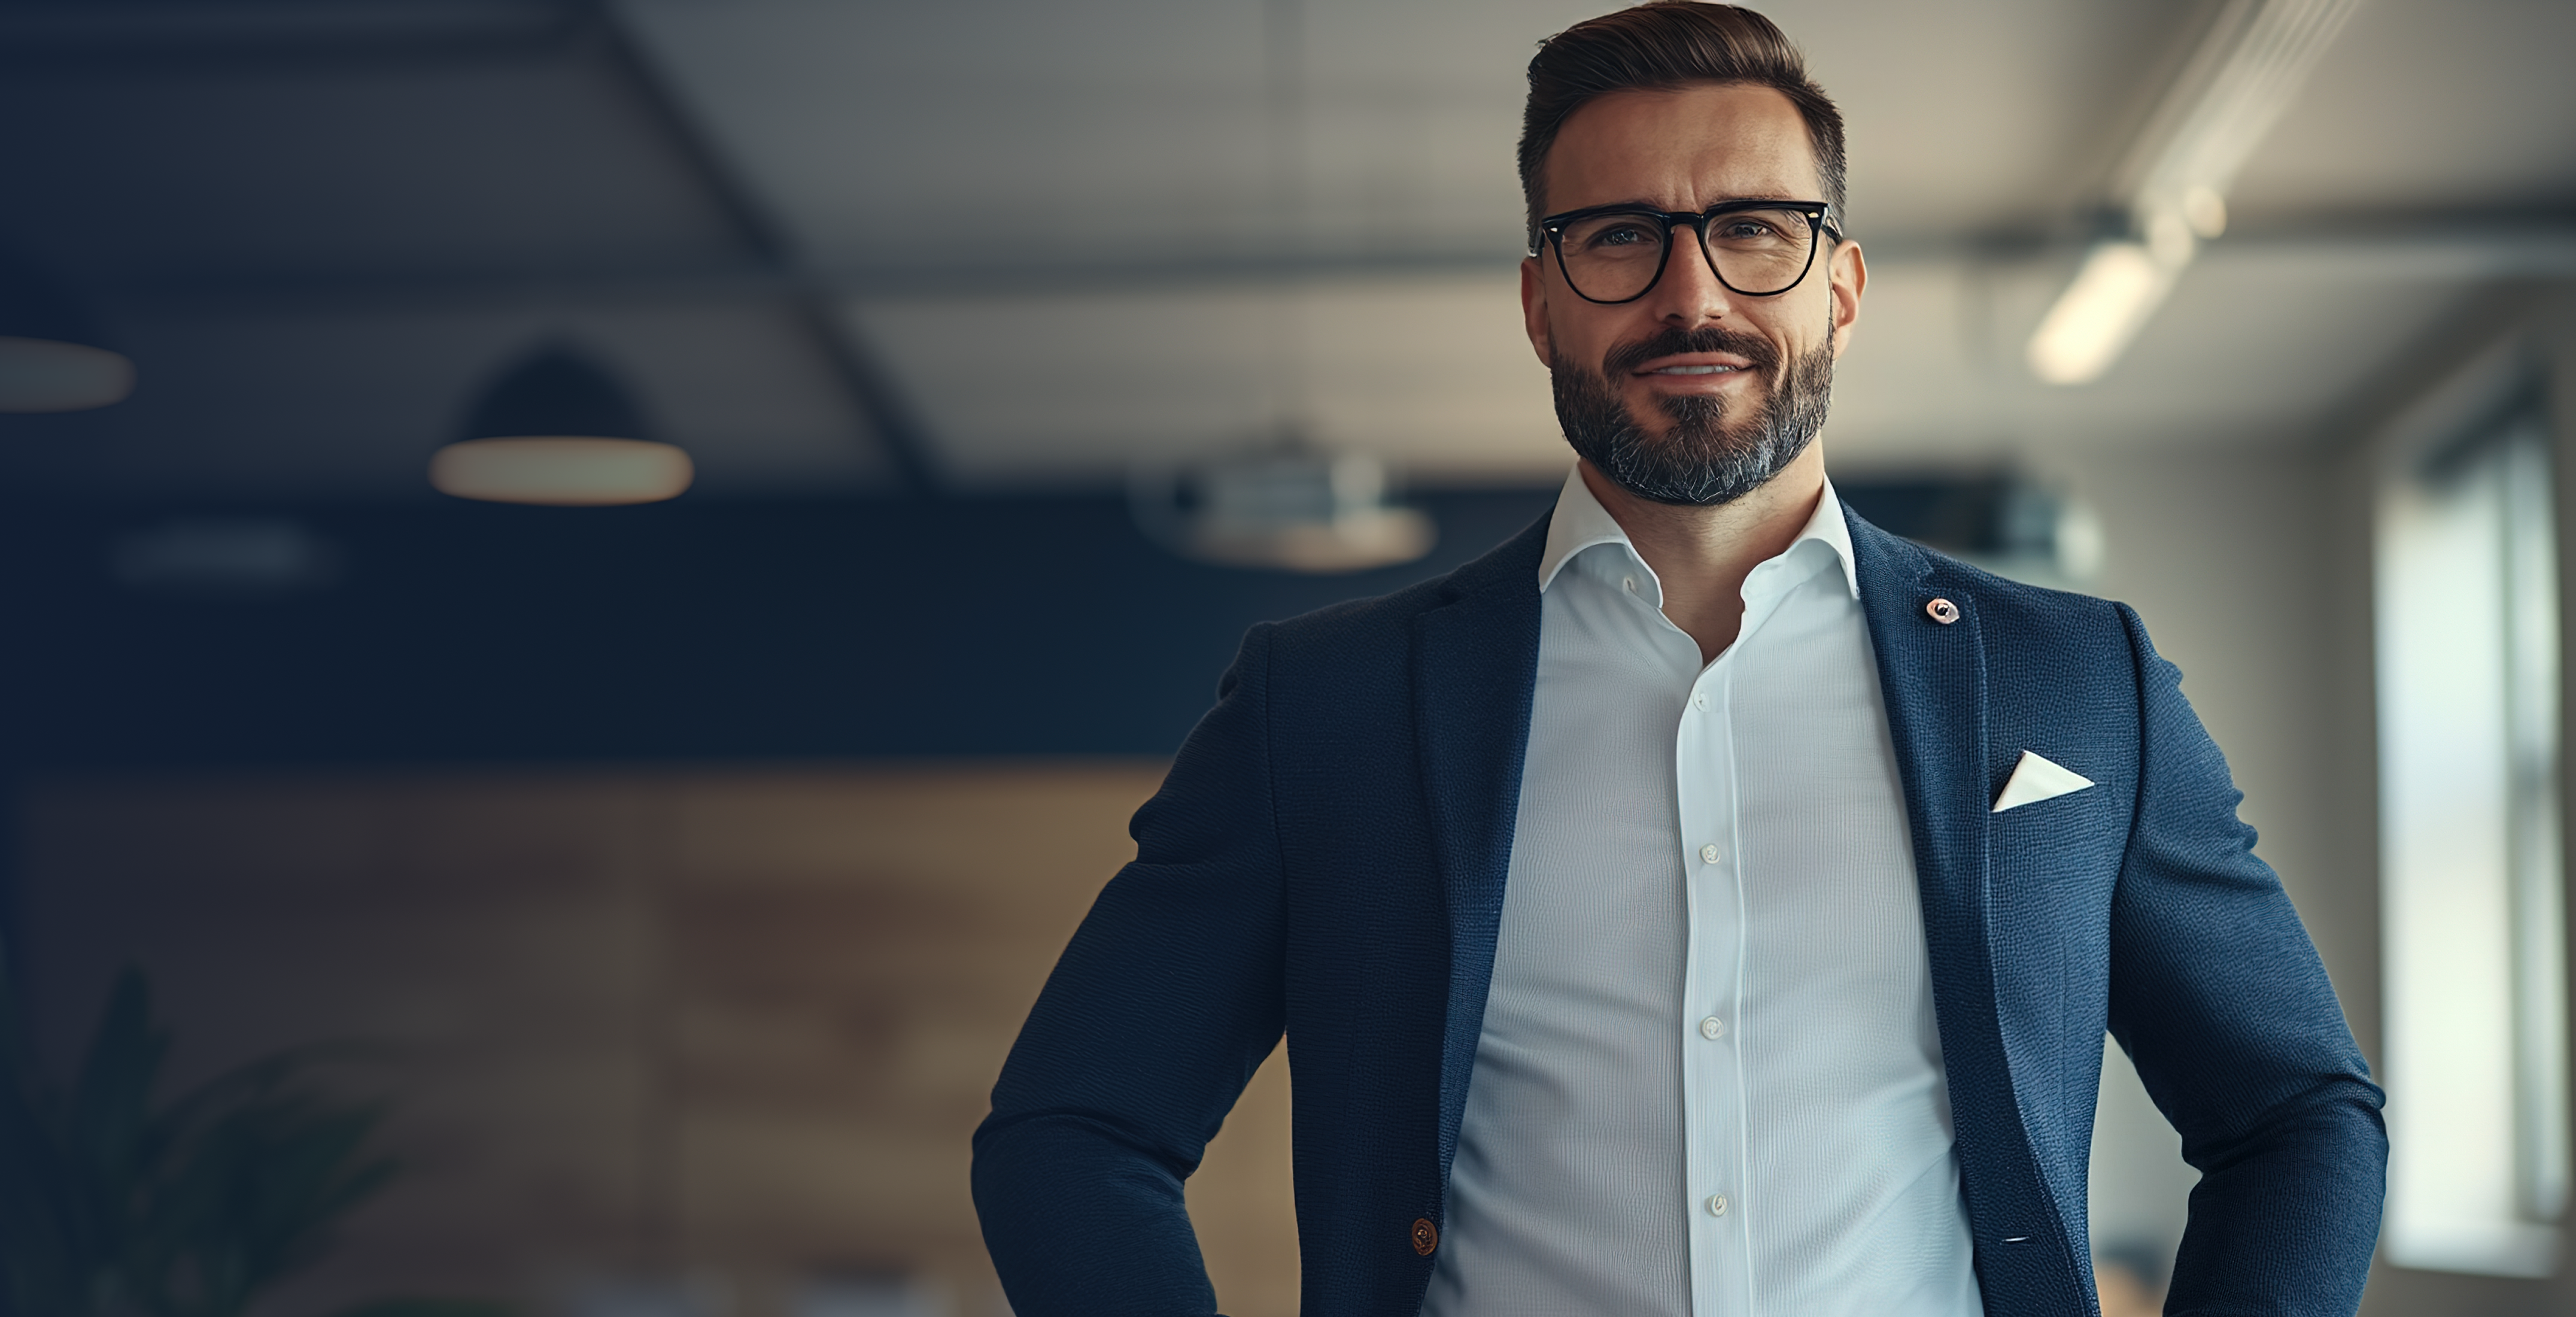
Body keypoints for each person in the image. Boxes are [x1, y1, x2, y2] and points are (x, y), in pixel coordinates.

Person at [967, 5, 2384, 1316]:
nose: (1690, 292)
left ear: (1842, 284)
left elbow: (2299, 1114)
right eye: (1618, 236)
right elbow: (1071, 1132)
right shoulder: (1328, 707)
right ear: (1539, 299)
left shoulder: (2078, 681)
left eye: (1754, 229)